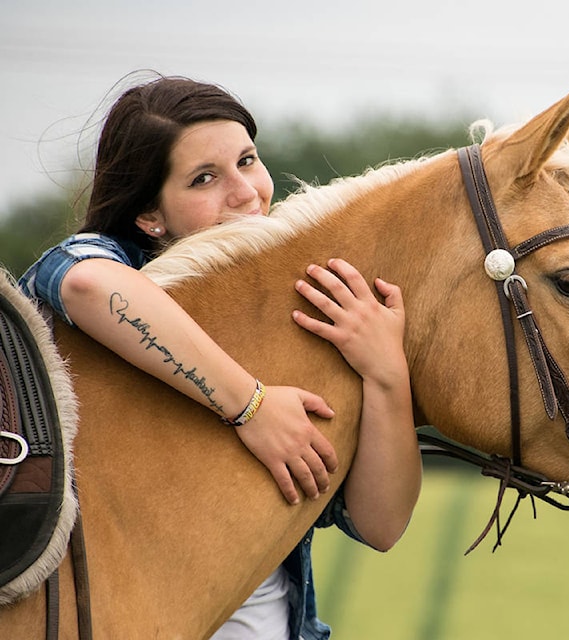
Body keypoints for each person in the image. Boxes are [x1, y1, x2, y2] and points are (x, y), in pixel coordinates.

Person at [18, 73, 422, 640]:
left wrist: (386, 374)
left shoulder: (299, 311)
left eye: (248, 161)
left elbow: (380, 525)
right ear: (149, 216)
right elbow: (86, 286)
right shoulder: (112, 266)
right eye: (205, 178)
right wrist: (252, 406)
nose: (246, 193)